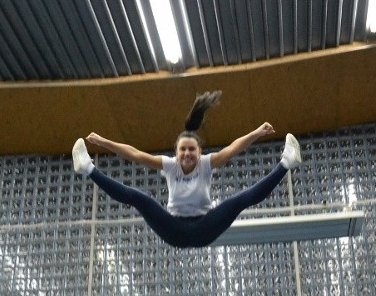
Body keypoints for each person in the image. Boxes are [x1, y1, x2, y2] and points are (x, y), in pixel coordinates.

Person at [71, 91, 302, 248]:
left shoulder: (207, 163)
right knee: (138, 198)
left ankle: (286, 163)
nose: (187, 154)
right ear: (176, 152)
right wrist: (103, 142)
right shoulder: (169, 166)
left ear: (199, 152)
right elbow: (134, 154)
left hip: (205, 227)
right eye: (183, 150)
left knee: (239, 201)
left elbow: (233, 149)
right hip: (174, 229)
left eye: (192, 149)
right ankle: (88, 168)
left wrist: (257, 133)